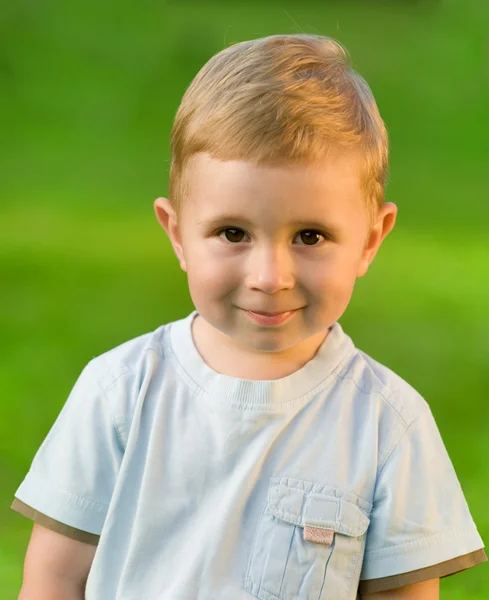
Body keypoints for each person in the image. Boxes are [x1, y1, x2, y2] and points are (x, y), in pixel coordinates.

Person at [12, 34, 486, 600]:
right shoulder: (120, 393)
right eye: (232, 233)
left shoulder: (388, 426)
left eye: (310, 236)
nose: (270, 275)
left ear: (370, 239)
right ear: (178, 233)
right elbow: (54, 582)